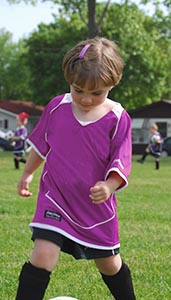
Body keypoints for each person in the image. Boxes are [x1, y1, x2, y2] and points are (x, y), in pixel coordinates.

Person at [15, 37, 136, 300]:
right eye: (78, 89)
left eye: (97, 93)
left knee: (109, 264)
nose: (86, 98)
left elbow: (122, 160)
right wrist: (27, 173)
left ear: (113, 84)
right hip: (55, 198)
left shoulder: (117, 118)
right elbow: (40, 145)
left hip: (94, 209)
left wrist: (109, 185)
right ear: (69, 80)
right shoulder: (57, 107)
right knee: (42, 255)